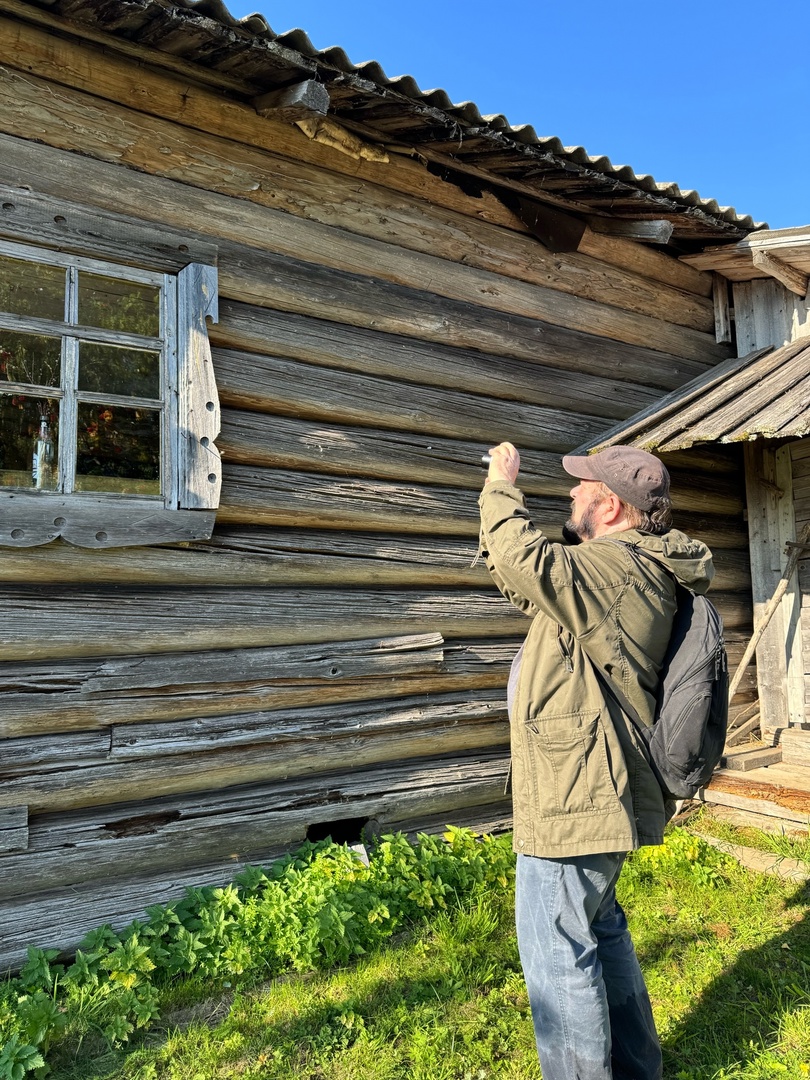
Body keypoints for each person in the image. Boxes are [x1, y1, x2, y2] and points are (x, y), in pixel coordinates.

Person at [478, 442, 716, 1080]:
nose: (573, 496)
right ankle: (638, 1069)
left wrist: (501, 486)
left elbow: (520, 554)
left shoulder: (618, 569)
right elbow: (527, 580)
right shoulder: (619, 571)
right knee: (598, 927)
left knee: (558, 952)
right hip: (590, 783)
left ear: (609, 505)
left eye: (581, 488)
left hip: (578, 790)